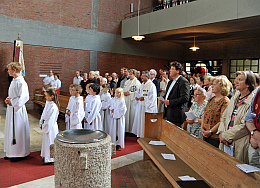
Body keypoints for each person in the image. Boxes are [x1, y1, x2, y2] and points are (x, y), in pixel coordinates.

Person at [217, 71, 255, 163]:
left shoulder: (252, 101)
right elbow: (224, 117)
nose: (235, 82)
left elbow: (245, 125)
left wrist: (225, 136)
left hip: (240, 142)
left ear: (248, 84)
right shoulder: (234, 98)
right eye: (236, 79)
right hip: (225, 141)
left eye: (240, 80)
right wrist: (221, 133)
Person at [4, 62, 30, 162]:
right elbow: (13, 94)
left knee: (16, 131)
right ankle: (11, 152)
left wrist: (13, 101)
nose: (8, 71)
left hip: (17, 111)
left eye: (9, 69)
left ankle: (19, 153)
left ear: (14, 70)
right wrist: (8, 99)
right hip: (12, 109)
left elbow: (24, 97)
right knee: (10, 130)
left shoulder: (21, 82)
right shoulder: (14, 80)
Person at [201, 76, 231, 148]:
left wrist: (210, 132)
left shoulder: (225, 101)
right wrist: (202, 128)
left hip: (215, 136)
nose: (212, 86)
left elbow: (222, 120)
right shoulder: (211, 99)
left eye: (214, 85)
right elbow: (204, 114)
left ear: (221, 86)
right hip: (205, 133)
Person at [160, 61, 190, 127]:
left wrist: (170, 102)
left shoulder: (183, 81)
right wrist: (163, 99)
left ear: (178, 71)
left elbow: (185, 98)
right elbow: (168, 94)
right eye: (170, 69)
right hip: (168, 112)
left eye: (172, 69)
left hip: (177, 114)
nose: (170, 71)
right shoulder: (170, 82)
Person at [132, 71, 157, 138]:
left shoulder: (151, 85)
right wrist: (137, 97)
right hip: (141, 106)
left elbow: (152, 97)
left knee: (145, 121)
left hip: (147, 107)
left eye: (143, 76)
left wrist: (144, 98)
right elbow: (139, 92)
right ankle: (141, 134)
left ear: (147, 77)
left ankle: (145, 135)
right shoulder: (142, 84)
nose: (142, 77)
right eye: (142, 76)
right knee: (141, 121)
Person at [40, 87, 59, 165]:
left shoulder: (53, 107)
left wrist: (45, 126)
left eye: (47, 96)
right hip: (47, 125)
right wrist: (41, 122)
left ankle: (50, 158)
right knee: (46, 142)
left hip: (51, 127)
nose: (45, 97)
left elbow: (50, 119)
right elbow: (44, 114)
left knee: (50, 142)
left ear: (52, 96)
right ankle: (46, 156)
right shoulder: (48, 104)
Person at [245, 87, 260, 168]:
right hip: (254, 144)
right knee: (254, 176)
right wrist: (254, 133)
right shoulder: (258, 91)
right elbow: (248, 118)